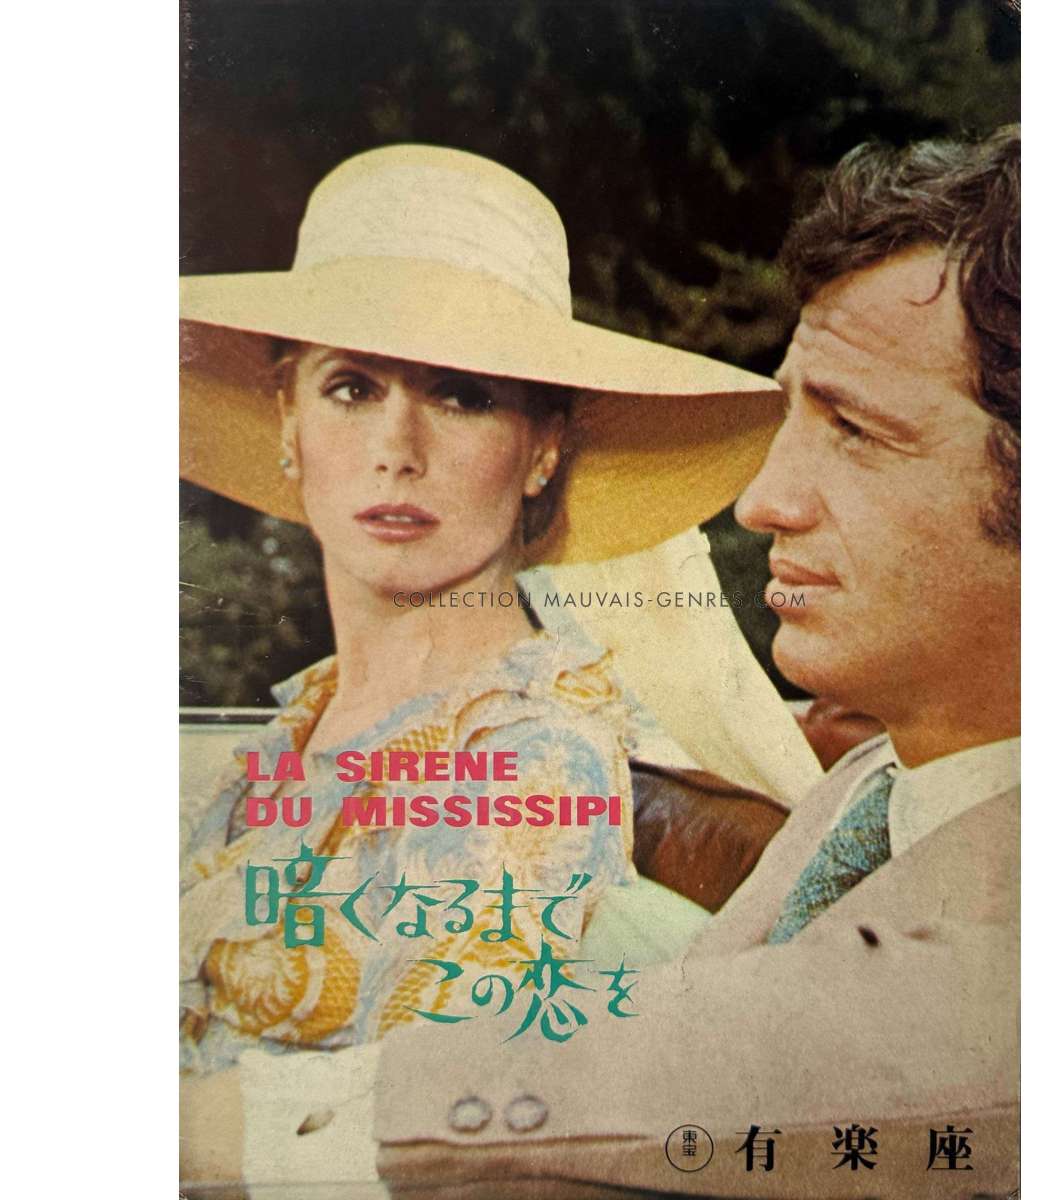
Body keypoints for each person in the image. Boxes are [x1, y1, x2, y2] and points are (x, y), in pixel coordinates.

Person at [369, 127, 1022, 1198]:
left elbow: (816, 1051)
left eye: (857, 432)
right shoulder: (883, 785)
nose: (762, 501)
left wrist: (262, 1122)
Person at [178, 144, 782, 1184]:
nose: (397, 448)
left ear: (542, 447)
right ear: (288, 423)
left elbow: (406, 1135)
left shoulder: (531, 751)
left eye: (460, 395)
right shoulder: (298, 726)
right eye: (351, 387)